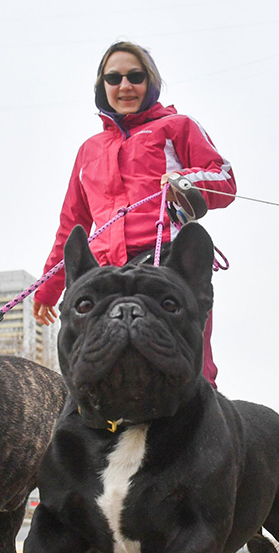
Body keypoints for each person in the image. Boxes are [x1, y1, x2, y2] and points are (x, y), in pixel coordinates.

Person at [32, 41, 236, 386]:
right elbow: (73, 225)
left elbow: (225, 179)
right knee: (103, 368)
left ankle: (204, 426)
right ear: (103, 87)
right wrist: (48, 287)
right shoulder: (89, 151)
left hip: (166, 263)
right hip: (105, 275)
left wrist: (185, 182)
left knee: (187, 365)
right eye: (114, 78)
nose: (124, 86)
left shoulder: (177, 127)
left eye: (135, 76)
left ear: (150, 81)